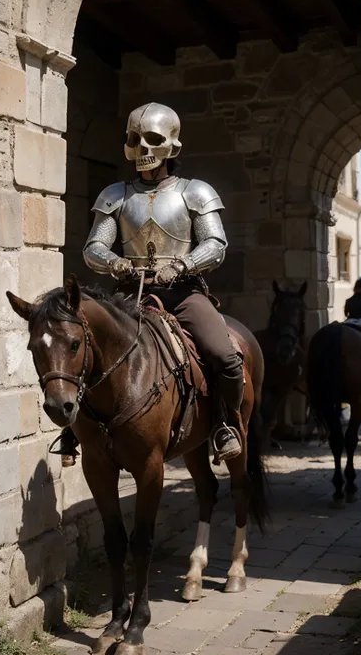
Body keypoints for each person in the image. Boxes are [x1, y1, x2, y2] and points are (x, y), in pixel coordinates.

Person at [56, 102, 244, 464]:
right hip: (130, 293)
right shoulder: (117, 195)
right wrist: (118, 263)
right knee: (82, 346)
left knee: (225, 356)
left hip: (183, 291)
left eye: (152, 140)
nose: (142, 149)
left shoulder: (195, 192)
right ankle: (74, 428)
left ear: (172, 145)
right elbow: (93, 247)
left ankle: (225, 423)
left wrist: (184, 264)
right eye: (134, 140)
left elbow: (215, 245)